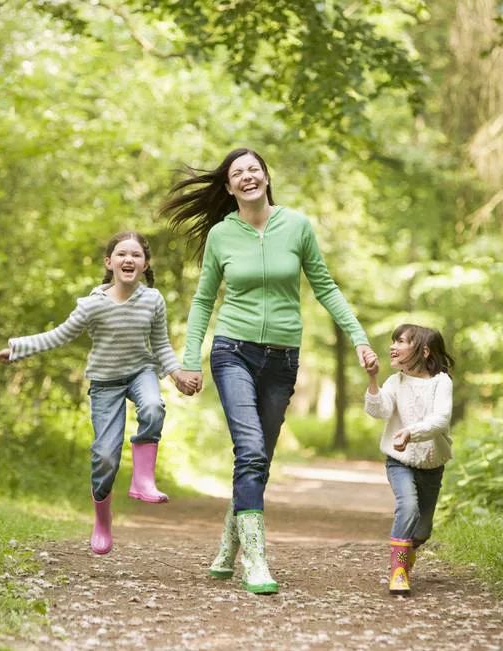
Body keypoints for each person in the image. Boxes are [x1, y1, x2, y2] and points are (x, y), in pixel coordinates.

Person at [160, 147, 378, 594]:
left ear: (265, 177)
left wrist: (359, 337)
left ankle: (228, 542)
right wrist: (188, 360)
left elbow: (325, 285)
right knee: (252, 449)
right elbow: (204, 300)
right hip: (232, 351)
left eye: (253, 169)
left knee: (258, 459)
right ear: (228, 186)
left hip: (282, 357)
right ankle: (255, 561)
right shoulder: (223, 234)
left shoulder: (296, 226)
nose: (246, 177)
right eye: (237, 173)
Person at [0, 231, 199, 555]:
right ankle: (102, 520)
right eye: (121, 254)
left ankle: (142, 480)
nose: (128, 259)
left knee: (153, 407)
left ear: (145, 264)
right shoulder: (93, 305)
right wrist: (17, 349)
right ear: (109, 262)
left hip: (140, 372)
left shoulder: (153, 300)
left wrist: (176, 374)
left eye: (136, 255)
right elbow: (58, 336)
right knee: (105, 456)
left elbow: (160, 345)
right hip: (105, 382)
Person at [364, 323, 454, 596]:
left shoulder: (441, 382)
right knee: (409, 507)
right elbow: (379, 411)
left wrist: (411, 432)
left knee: (423, 530)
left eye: (400, 341)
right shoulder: (395, 381)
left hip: (432, 464)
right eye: (393, 341)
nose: (393, 346)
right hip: (398, 460)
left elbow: (440, 420)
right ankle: (399, 571)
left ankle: (407, 549)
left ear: (424, 351)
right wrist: (372, 380)